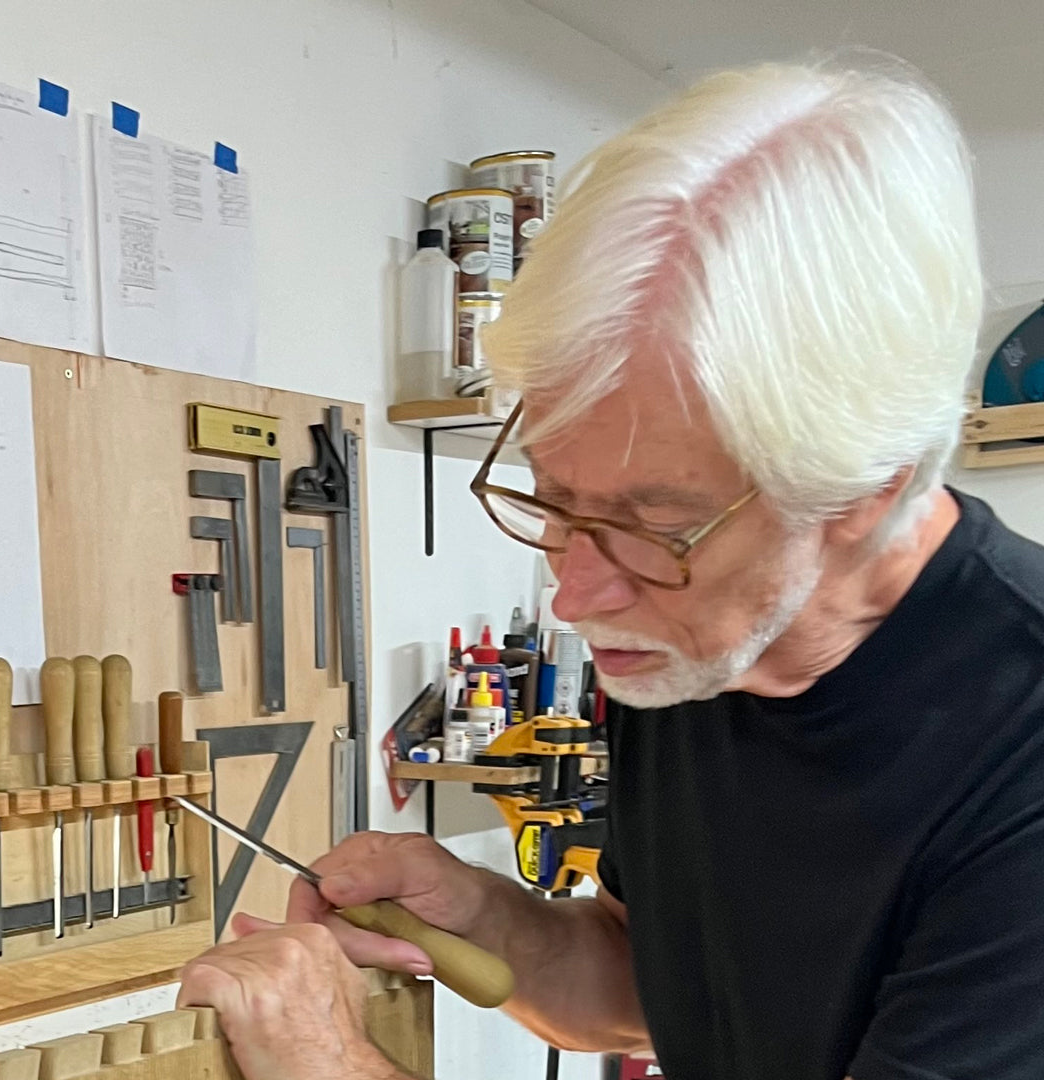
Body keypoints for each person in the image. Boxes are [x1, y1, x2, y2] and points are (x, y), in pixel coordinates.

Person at [179, 56, 1044, 1080]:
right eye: (554, 500)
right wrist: (490, 918)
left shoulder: (1016, 750)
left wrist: (327, 1064)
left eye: (652, 526)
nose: (577, 596)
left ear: (864, 491)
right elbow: (649, 989)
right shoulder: (689, 652)